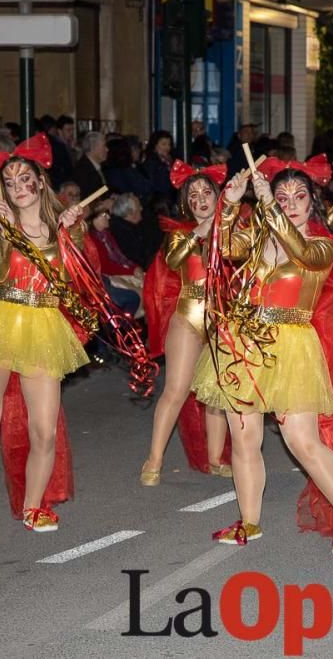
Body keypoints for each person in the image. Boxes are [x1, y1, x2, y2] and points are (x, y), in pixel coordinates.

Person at [192, 157, 333, 555]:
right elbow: (220, 249)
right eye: (281, 197)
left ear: (313, 203)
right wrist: (229, 204)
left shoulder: (323, 244)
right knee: (244, 441)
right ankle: (249, 521)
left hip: (293, 345)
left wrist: (269, 210)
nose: (290, 204)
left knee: (302, 441)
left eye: (299, 197)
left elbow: (303, 254)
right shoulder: (258, 236)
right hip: (243, 341)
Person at [0, 133, 89, 546]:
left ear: (39, 181)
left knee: (45, 430)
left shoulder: (62, 225)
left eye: (24, 178)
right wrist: (6, 231)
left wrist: (73, 234)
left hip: (44, 323)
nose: (18, 187)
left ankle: (34, 505)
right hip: (2, 317)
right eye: (10, 182)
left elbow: (73, 279)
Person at [140, 161, 231, 483]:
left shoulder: (234, 228)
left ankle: (216, 457)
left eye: (207, 192)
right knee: (176, 389)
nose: (201, 199)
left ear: (219, 195)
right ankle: (153, 460)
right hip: (189, 314)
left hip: (224, 317)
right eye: (193, 196)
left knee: (219, 392)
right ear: (186, 203)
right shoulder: (178, 235)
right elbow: (175, 259)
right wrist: (202, 231)